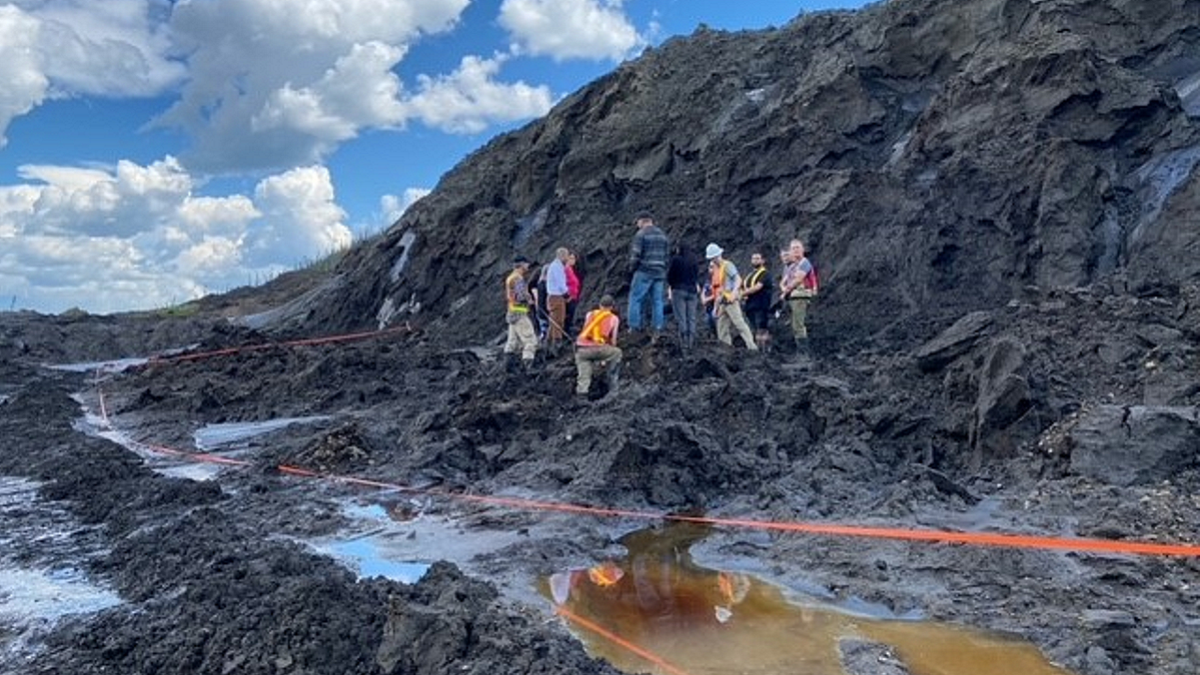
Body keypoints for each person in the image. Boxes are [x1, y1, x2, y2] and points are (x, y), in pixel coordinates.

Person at [702, 243, 757, 351]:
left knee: (739, 324)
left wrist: (734, 292)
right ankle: (726, 350)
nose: (713, 260)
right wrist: (715, 308)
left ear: (718, 255)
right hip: (722, 301)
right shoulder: (716, 270)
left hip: (730, 301)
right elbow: (718, 290)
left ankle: (752, 347)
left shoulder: (727, 265)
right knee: (721, 328)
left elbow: (738, 279)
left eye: (713, 258)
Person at [626, 212, 670, 336]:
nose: (637, 225)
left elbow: (636, 255)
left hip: (644, 271)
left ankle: (634, 327)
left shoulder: (641, 234)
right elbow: (667, 257)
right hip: (659, 272)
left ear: (642, 221)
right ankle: (658, 327)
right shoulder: (663, 235)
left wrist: (632, 269)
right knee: (657, 301)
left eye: (638, 222)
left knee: (635, 298)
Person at [575, 295, 622, 398]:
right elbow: (613, 340)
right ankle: (613, 386)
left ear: (600, 305)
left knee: (584, 372)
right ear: (612, 307)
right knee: (617, 353)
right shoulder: (614, 318)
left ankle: (582, 392)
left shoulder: (589, 314)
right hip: (600, 348)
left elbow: (585, 330)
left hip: (582, 349)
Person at [779, 238, 818, 350]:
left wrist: (785, 291)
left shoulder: (804, 263)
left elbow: (797, 279)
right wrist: (785, 290)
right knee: (795, 325)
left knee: (798, 325)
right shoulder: (791, 266)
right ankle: (801, 349)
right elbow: (784, 281)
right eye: (793, 248)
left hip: (801, 295)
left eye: (797, 248)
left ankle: (804, 352)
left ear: (803, 249)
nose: (795, 250)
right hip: (793, 296)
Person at [503, 256, 538, 371]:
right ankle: (528, 365)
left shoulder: (510, 278)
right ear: (521, 264)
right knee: (530, 339)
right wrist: (529, 300)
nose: (528, 266)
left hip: (512, 311)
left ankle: (508, 366)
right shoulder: (518, 278)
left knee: (512, 341)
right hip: (520, 312)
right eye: (527, 264)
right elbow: (520, 296)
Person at [666, 243, 702, 353]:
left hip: (679, 290)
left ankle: (684, 344)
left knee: (681, 317)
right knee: (691, 317)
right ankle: (691, 342)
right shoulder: (694, 259)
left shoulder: (676, 259)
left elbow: (670, 275)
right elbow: (696, 275)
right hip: (692, 291)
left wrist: (672, 286)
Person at [740, 252, 774, 352]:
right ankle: (758, 350)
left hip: (761, 305)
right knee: (754, 328)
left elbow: (757, 287)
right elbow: (743, 287)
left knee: (761, 328)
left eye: (758, 258)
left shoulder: (765, 274)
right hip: (750, 306)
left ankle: (765, 350)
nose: (755, 260)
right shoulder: (749, 276)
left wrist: (741, 294)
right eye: (753, 258)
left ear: (762, 261)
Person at [544, 247, 570, 355]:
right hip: (556, 297)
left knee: (553, 321)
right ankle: (557, 345)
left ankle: (548, 344)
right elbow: (561, 284)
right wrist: (568, 293)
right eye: (567, 255)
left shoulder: (554, 266)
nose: (568, 258)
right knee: (558, 320)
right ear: (562, 256)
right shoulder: (557, 267)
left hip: (553, 296)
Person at [565, 251, 582, 332]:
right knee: (568, 314)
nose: (573, 260)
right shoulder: (566, 269)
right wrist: (568, 295)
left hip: (574, 295)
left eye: (574, 258)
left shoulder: (571, 269)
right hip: (570, 296)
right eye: (571, 258)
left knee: (572, 313)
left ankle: (569, 328)